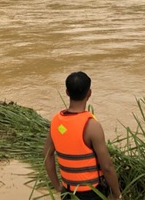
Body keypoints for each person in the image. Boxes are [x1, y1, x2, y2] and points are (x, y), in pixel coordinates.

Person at [43, 71, 122, 200]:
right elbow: (107, 167)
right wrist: (117, 194)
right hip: (92, 193)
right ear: (89, 93)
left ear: (67, 92)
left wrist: (58, 186)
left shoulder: (56, 121)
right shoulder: (92, 126)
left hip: (68, 192)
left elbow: (46, 154)